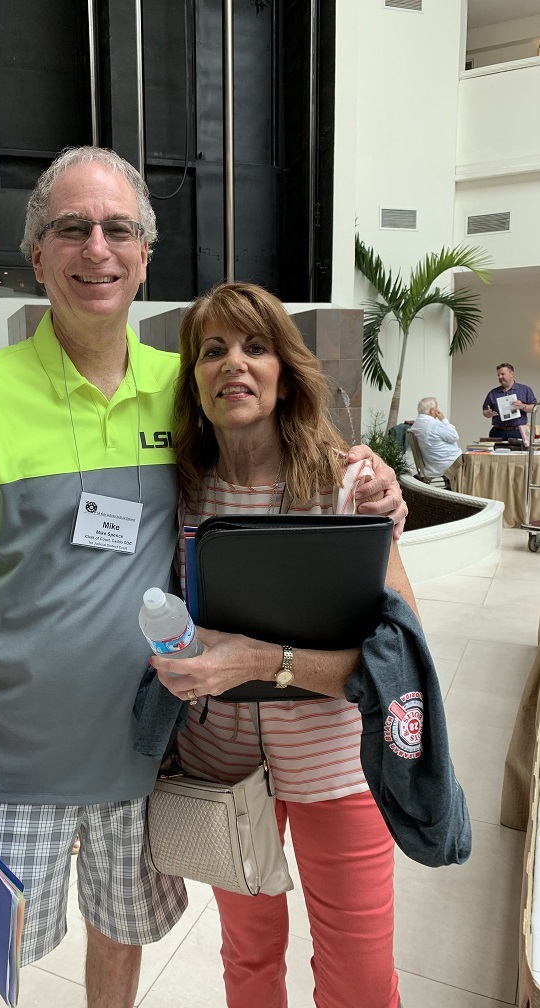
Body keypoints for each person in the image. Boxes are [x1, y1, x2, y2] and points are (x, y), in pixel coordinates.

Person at [0, 146, 407, 1008]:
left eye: (118, 230)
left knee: (121, 936)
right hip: (11, 763)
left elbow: (275, 451)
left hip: (144, 757)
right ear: (37, 255)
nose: (96, 248)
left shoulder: (187, 392)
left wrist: (371, 477)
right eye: (72, 229)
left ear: (144, 257)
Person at [151, 282, 420, 1008]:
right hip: (221, 768)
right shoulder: (179, 491)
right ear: (194, 378)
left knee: (361, 980)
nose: (233, 363)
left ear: (285, 371)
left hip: (338, 765)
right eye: (213, 350)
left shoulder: (347, 484)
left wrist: (262, 662)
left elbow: (401, 661)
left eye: (256, 346)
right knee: (247, 960)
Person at [410, 396, 461, 477]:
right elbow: (454, 436)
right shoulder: (434, 425)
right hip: (450, 465)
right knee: (477, 464)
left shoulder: (415, 426)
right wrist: (443, 420)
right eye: (437, 407)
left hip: (432, 467)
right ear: (432, 411)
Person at [482, 362, 536, 439]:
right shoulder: (493, 393)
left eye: (502, 374)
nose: (500, 377)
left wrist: (523, 406)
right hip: (497, 432)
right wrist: (488, 413)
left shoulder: (525, 390)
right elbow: (485, 411)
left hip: (518, 432)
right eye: (498, 375)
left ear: (511, 374)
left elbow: (534, 408)